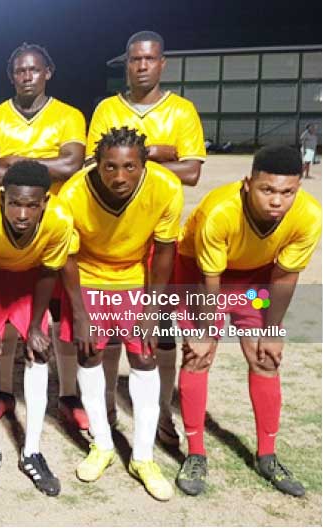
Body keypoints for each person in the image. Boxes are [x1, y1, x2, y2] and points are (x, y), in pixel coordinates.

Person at [174, 145, 321, 498]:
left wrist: (272, 331)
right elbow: (209, 278)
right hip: (200, 276)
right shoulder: (220, 212)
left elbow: (285, 276)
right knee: (198, 356)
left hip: (255, 280)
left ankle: (267, 455)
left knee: (265, 358)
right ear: (247, 184)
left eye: (287, 192)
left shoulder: (309, 216)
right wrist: (207, 331)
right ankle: (195, 454)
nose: (277, 201)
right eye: (267, 190)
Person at [88, 30, 207, 446]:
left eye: (149, 59)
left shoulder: (182, 111)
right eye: (134, 59)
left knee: (162, 331)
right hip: (117, 236)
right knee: (113, 333)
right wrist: (162, 152)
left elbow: (191, 173)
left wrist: (140, 156)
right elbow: (98, 169)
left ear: (162, 63)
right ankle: (104, 405)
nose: (141, 66)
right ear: (126, 63)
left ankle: (161, 414)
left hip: (161, 237)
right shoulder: (106, 109)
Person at [57, 127, 182, 501]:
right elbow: (68, 256)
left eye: (130, 166)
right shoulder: (74, 193)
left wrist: (152, 306)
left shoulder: (166, 187)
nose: (120, 176)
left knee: (145, 357)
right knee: (89, 352)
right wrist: (79, 313)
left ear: (143, 164)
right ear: (98, 164)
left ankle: (142, 457)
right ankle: (103, 444)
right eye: (110, 167)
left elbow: (163, 251)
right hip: (89, 277)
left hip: (134, 277)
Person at [0, 42, 86, 427]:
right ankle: (4, 392)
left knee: (57, 316)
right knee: (5, 317)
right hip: (8, 226)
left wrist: (15, 161)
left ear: (47, 72)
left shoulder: (69, 116)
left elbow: (71, 165)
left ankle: (69, 395)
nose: (27, 76)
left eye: (34, 70)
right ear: (12, 75)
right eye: (20, 71)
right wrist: (43, 163)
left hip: (54, 226)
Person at [0, 161, 77, 497]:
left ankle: (31, 451)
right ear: (2, 199)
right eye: (15, 203)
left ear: (45, 201)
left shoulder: (60, 219)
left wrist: (35, 327)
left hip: (32, 279)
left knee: (39, 352)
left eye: (32, 205)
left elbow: (49, 272)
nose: (22, 214)